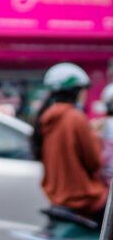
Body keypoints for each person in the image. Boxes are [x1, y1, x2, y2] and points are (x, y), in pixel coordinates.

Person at [30, 63, 108, 221]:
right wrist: (94, 136)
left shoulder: (45, 118)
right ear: (77, 92)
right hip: (83, 197)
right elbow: (94, 162)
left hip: (57, 196)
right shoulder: (75, 118)